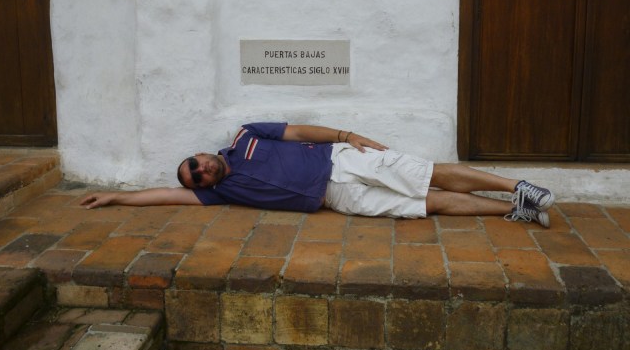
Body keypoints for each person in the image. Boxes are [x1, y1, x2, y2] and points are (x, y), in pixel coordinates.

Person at [81, 122, 555, 227]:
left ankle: (518, 187)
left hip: (341, 160)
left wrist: (349, 136)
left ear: (203, 153)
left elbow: (299, 130)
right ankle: (516, 210)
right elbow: (165, 196)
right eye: (197, 178)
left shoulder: (246, 135)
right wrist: (116, 197)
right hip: (336, 200)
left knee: (430, 174)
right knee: (424, 203)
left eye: (196, 164)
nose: (201, 172)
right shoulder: (221, 192)